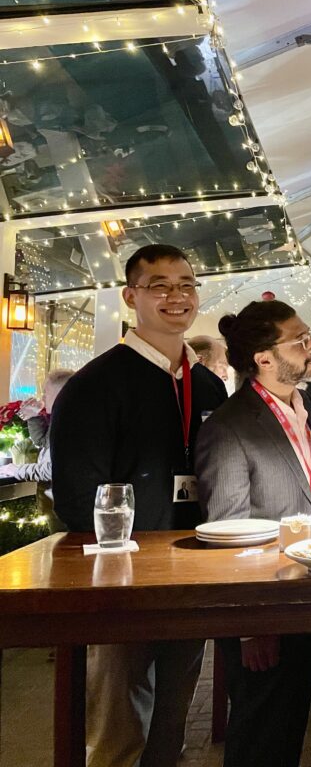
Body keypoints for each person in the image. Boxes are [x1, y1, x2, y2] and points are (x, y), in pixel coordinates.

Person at [50, 244, 228, 767]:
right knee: (119, 723)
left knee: (174, 711)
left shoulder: (208, 383)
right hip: (120, 579)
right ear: (131, 297)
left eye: (187, 284)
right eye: (160, 285)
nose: (177, 295)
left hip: (193, 567)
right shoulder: (94, 386)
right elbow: (78, 498)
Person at [195, 300, 311, 767]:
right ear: (264, 359)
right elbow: (228, 534)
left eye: (310, 336)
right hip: (263, 609)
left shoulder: (302, 406)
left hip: (303, 596)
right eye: (301, 340)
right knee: (259, 733)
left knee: (288, 727)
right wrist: (252, 627)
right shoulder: (232, 427)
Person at [0, 369, 75, 530]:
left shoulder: (68, 423)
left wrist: (14, 470)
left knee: (60, 550)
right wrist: (33, 416)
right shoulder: (63, 417)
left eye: (46, 392)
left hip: (62, 504)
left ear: (60, 393)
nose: (42, 397)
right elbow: (43, 442)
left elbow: (51, 470)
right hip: (55, 501)